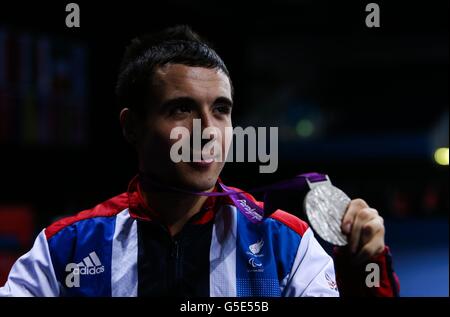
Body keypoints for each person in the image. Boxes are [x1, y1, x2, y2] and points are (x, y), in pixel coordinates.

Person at [0, 25, 399, 297]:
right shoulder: (64, 250)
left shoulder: (286, 245)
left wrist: (364, 275)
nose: (208, 129)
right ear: (132, 126)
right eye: (180, 109)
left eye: (221, 109)